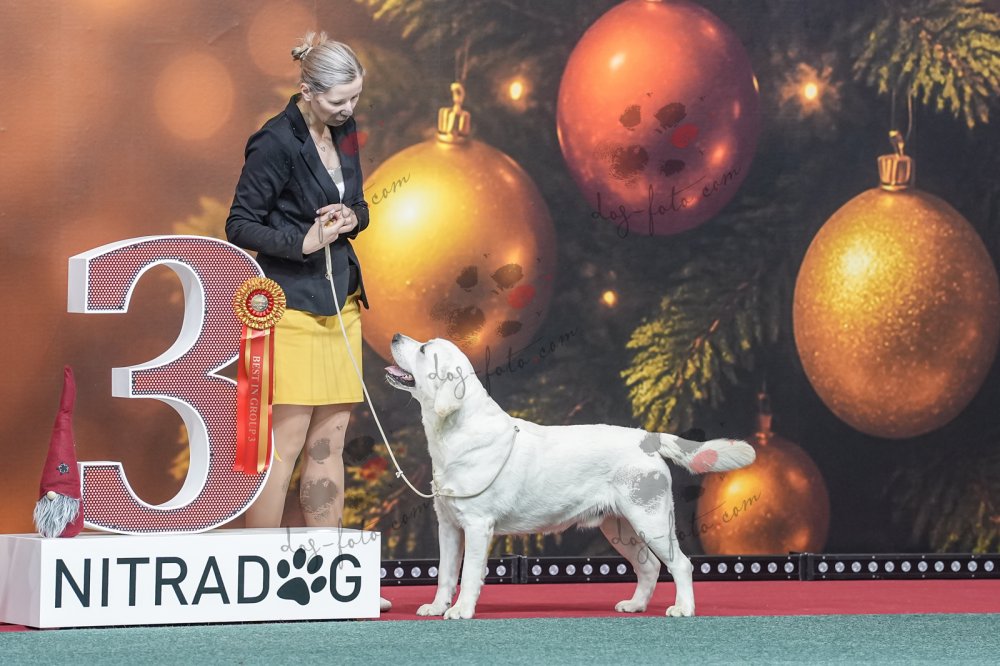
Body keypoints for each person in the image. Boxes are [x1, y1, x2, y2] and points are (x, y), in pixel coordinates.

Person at [226, 32, 390, 611]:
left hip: (340, 301)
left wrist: (351, 216)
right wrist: (301, 241)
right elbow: (239, 224)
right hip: (291, 306)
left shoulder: (344, 130)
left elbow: (360, 205)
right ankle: (258, 578)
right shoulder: (274, 141)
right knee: (286, 445)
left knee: (330, 444)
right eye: (339, 101)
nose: (349, 110)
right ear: (307, 90)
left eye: (355, 98)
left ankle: (327, 580)